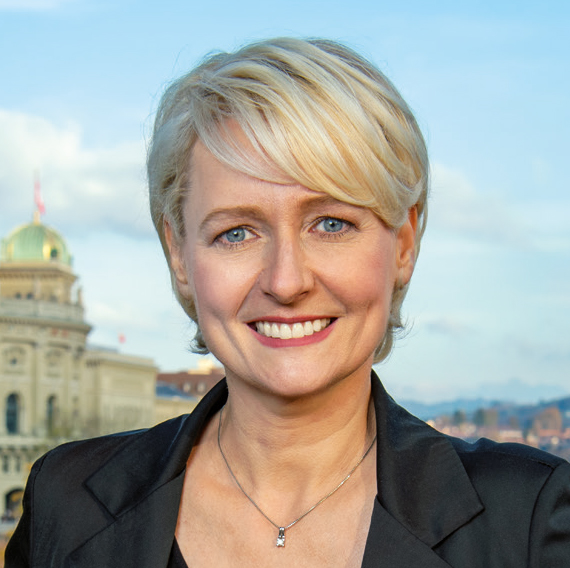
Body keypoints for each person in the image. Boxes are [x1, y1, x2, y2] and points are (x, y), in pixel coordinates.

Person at [6, 37, 570, 568]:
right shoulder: (64, 501)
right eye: (236, 233)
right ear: (179, 256)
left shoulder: (529, 519)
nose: (286, 280)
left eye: (331, 223)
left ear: (402, 244)